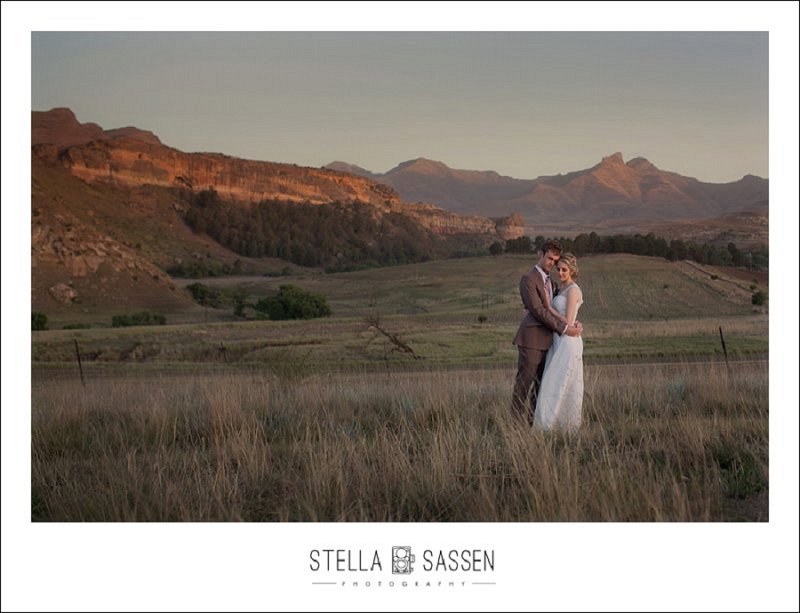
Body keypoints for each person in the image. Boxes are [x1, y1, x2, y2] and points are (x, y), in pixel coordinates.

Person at [512, 240, 582, 425]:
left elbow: (560, 309)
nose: (552, 263)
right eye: (550, 258)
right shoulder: (528, 280)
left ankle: (533, 424)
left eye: (555, 260)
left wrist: (574, 321)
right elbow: (539, 311)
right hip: (532, 340)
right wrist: (566, 328)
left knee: (541, 388)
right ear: (540, 255)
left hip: (551, 343)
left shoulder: (552, 282)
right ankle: (513, 426)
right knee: (523, 386)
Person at [533, 253, 584, 432]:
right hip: (557, 340)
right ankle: (549, 426)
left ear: (572, 271)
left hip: (568, 343)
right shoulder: (561, 289)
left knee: (559, 383)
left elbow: (568, 322)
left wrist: (548, 308)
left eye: (564, 270)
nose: (560, 273)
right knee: (552, 382)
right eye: (559, 269)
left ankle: (558, 427)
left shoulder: (573, 290)